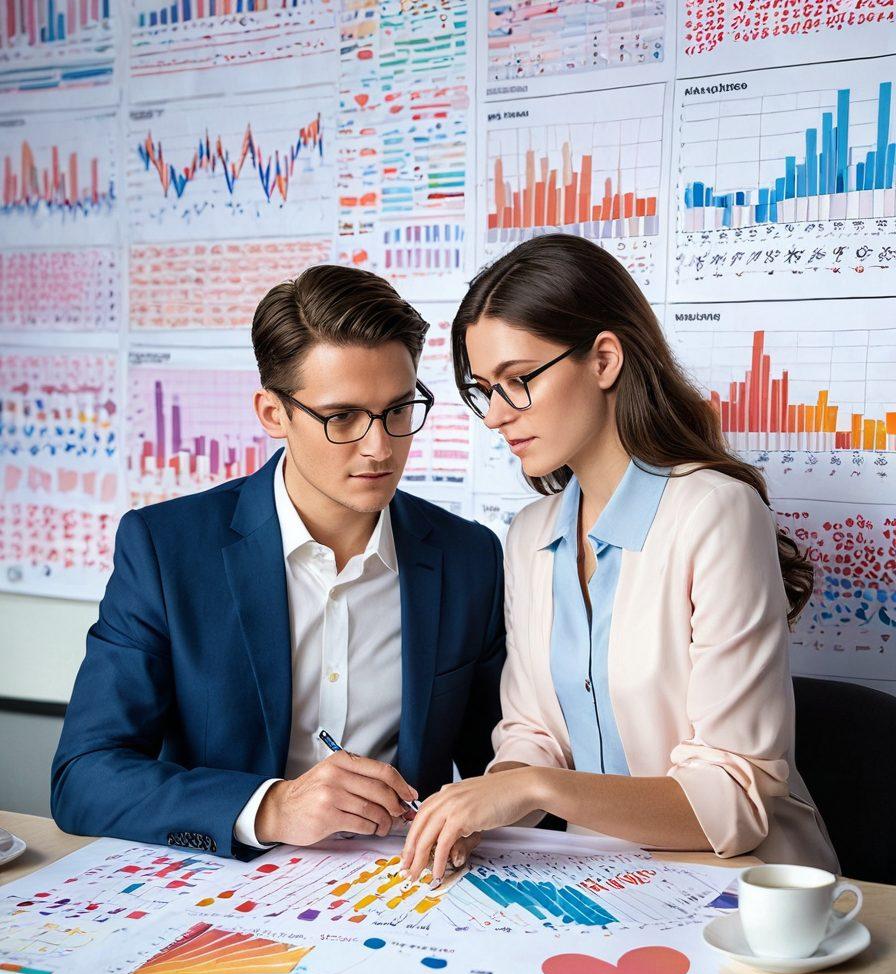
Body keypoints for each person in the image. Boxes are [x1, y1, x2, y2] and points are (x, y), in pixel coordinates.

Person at [400, 233, 838, 885]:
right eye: (483, 388)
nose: (494, 415)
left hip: (744, 889)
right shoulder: (530, 535)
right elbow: (531, 733)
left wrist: (541, 791)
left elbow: (736, 800)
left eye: (518, 381)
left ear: (604, 359)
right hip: (601, 883)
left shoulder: (716, 513)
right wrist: (479, 809)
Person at [51, 265, 505, 860]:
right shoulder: (166, 550)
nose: (381, 447)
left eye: (398, 410)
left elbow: (498, 765)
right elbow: (83, 777)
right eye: (342, 417)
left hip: (408, 892)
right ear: (273, 414)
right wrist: (270, 807)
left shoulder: (468, 557)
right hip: (223, 898)